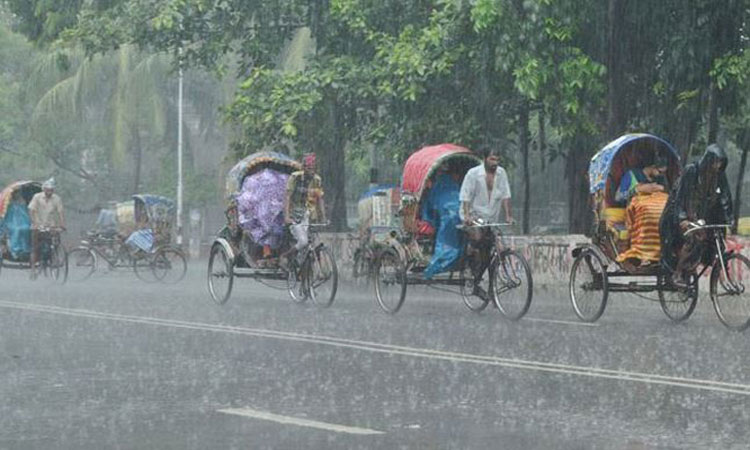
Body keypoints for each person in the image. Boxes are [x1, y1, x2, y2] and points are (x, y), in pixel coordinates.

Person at [660, 144, 733, 286]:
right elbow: (680, 197)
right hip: (678, 214)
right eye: (716, 162)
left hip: (700, 217)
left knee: (716, 237)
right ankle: (678, 273)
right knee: (694, 238)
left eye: (720, 163)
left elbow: (725, 198)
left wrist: (729, 218)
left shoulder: (719, 176)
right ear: (708, 160)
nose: (717, 166)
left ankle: (707, 263)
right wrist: (682, 218)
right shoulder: (691, 171)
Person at [459, 147, 513, 299]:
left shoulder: (502, 174)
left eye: (497, 160)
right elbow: (466, 196)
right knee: (477, 238)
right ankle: (468, 265)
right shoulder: (473, 174)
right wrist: (468, 216)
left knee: (489, 252)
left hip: (490, 217)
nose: (495, 163)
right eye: (492, 159)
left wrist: (509, 216)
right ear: (485, 159)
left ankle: (482, 283)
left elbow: (506, 195)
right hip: (473, 214)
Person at [614, 156, 670, 268]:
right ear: (652, 167)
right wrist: (637, 190)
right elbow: (618, 197)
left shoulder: (660, 179)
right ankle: (643, 253)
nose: (660, 175)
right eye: (659, 172)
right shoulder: (631, 175)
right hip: (638, 211)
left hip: (657, 208)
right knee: (647, 218)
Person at [282, 153, 326, 266]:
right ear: (303, 167)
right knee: (303, 241)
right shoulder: (295, 177)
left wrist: (323, 217)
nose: (311, 170)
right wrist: (287, 216)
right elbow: (288, 196)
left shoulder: (317, 180)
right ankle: (286, 256)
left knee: (311, 242)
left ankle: (306, 265)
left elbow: (319, 198)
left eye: (313, 168)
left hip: (308, 213)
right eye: (308, 168)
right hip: (295, 213)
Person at [421, 162, 463, 279]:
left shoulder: (439, 185)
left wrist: (428, 220)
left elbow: (430, 207)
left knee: (446, 243)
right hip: (459, 217)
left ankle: (435, 266)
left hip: (448, 218)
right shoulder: (455, 186)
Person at [28, 178, 65, 279]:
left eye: (51, 190)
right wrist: (35, 223)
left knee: (56, 242)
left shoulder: (57, 198)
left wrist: (62, 224)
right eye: (48, 190)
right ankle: (33, 270)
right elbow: (31, 210)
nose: (49, 192)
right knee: (35, 248)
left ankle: (53, 258)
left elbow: (60, 212)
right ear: (44, 189)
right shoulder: (37, 197)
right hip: (38, 225)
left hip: (50, 225)